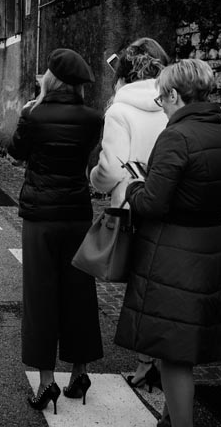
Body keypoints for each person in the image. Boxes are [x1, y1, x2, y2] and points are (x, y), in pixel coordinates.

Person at [115, 59, 221, 427]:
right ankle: (170, 417)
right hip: (211, 244)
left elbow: (153, 203)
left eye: (162, 98)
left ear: (174, 94)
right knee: (183, 342)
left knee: (173, 350)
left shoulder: (176, 136)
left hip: (172, 248)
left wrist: (134, 185)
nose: (162, 105)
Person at [7, 48, 104, 415]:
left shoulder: (33, 113)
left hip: (40, 216)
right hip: (77, 213)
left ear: (51, 78)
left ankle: (46, 380)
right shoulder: (93, 119)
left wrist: (30, 112)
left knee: (41, 295)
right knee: (80, 292)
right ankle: (80, 372)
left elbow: (16, 151)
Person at [89, 37, 170, 391]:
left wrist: (96, 180)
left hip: (132, 207)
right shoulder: (177, 102)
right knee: (166, 286)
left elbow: (109, 167)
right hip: (173, 207)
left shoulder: (119, 111)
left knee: (139, 287)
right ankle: (163, 360)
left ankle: (145, 362)